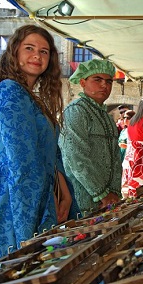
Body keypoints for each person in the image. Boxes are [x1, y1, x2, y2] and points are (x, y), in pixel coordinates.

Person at [0, 25, 79, 267]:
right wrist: (26, 226)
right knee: (16, 271)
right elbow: (21, 161)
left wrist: (62, 190)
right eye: (29, 48)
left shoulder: (30, 97)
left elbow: (49, 156)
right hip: (16, 197)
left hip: (39, 194)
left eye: (44, 52)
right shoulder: (9, 91)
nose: (37, 56)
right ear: (14, 53)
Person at [59, 59, 122, 213]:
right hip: (82, 200)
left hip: (106, 202)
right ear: (82, 82)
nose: (104, 85)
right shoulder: (76, 111)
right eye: (97, 79)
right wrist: (101, 194)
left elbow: (115, 157)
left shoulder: (106, 116)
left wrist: (113, 192)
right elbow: (76, 157)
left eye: (108, 81)